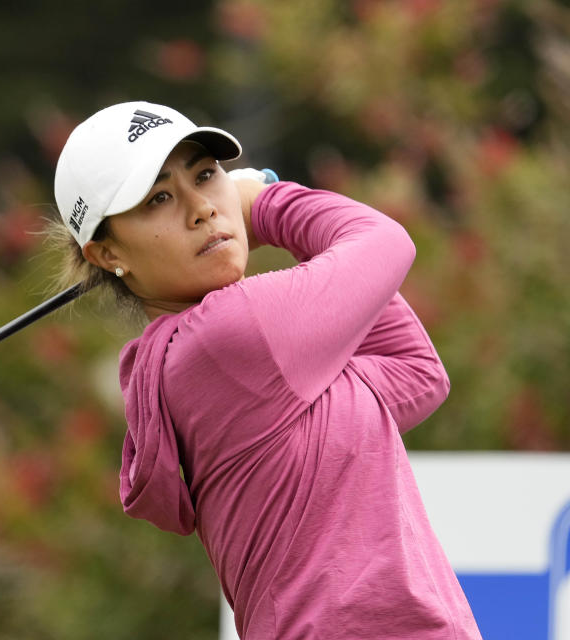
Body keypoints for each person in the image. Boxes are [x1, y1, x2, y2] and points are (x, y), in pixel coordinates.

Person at [50, 101, 482, 639]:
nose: (201, 208)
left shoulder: (226, 356)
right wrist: (269, 205)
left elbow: (416, 373)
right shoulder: (228, 336)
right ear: (108, 252)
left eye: (206, 175)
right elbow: (385, 243)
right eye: (159, 198)